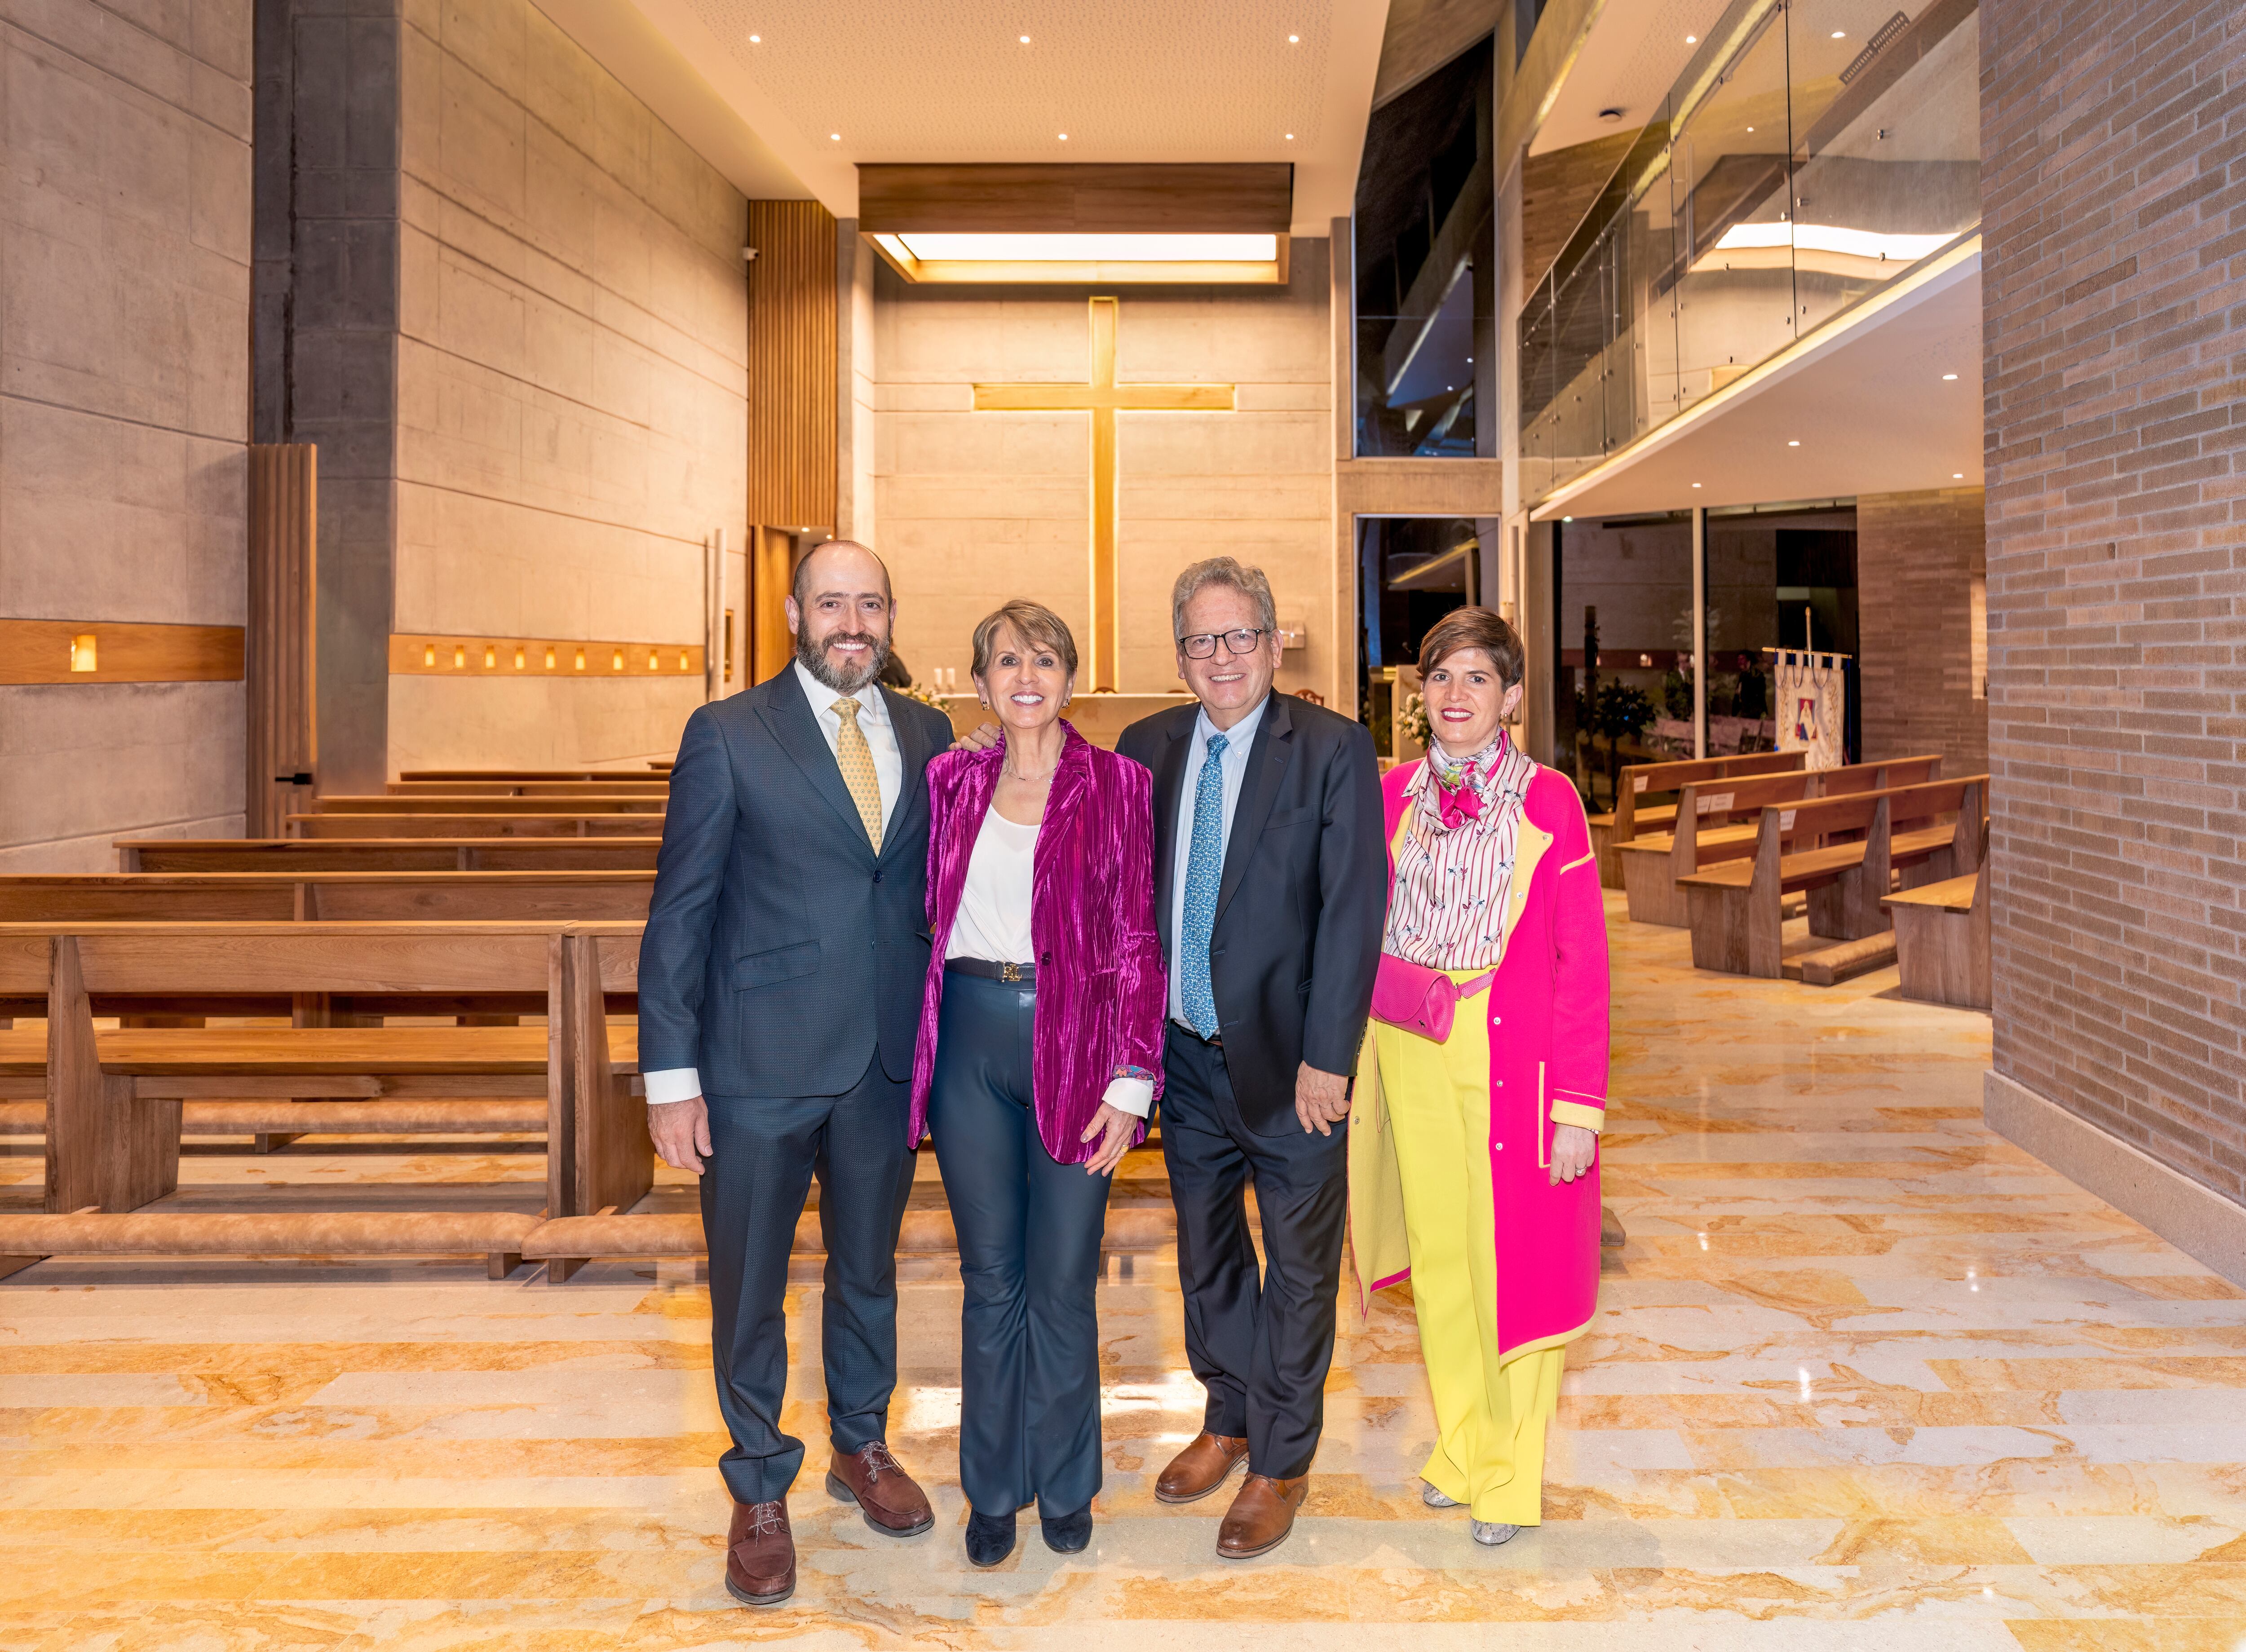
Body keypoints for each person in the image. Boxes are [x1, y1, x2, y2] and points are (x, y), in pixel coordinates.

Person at [638, 539, 956, 1608]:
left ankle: (861, 1446)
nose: (851, 623)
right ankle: (760, 1485)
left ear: (891, 613)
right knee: (750, 1289)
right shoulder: (727, 732)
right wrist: (670, 1076)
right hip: (755, 1062)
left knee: (867, 1272)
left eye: (870, 603)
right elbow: (679, 912)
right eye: (832, 604)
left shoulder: (929, 731)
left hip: (879, 1061)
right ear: (794, 613)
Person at [1115, 557, 1386, 1560]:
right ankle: (1225, 1418)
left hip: (1291, 1069)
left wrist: (1330, 1057)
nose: (1219, 656)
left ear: (1272, 644)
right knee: (1207, 1256)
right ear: (1180, 654)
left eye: (1237, 637)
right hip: (1184, 1061)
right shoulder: (1146, 748)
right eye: (1199, 640)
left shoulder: (1329, 748)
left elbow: (1356, 911)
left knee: (1302, 1273)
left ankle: (1279, 1460)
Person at [911, 600, 1166, 1568]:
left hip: (1079, 1044)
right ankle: (993, 1489)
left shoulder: (1118, 785)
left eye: (1046, 659)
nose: (1027, 676)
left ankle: (1066, 1484)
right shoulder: (949, 779)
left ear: (1071, 677)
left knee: (1062, 1281)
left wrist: (1134, 1076)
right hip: (971, 1040)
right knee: (991, 1283)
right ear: (979, 683)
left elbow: (1140, 938)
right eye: (1007, 660)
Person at [1348, 606, 1609, 1547]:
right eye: (1441, 678)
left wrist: (1578, 1104)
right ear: (1420, 697)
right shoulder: (1390, 796)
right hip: (1411, 1050)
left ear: (1510, 698)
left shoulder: (1550, 801)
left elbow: (1584, 963)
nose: (1456, 696)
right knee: (1446, 1264)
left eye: (1477, 679)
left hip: (1516, 1059)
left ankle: (1510, 1473)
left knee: (1519, 1266)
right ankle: (1462, 1443)